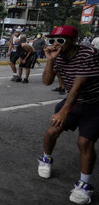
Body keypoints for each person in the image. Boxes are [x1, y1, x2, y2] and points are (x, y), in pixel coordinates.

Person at [37, 25, 99, 204]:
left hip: (94, 104)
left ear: (74, 41)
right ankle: (45, 159)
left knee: (85, 142)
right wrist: (50, 61)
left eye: (61, 40)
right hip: (74, 102)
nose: (56, 44)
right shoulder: (57, 56)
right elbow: (47, 82)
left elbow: (78, 87)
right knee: (51, 132)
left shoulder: (88, 54)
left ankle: (85, 185)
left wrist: (64, 111)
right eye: (53, 40)